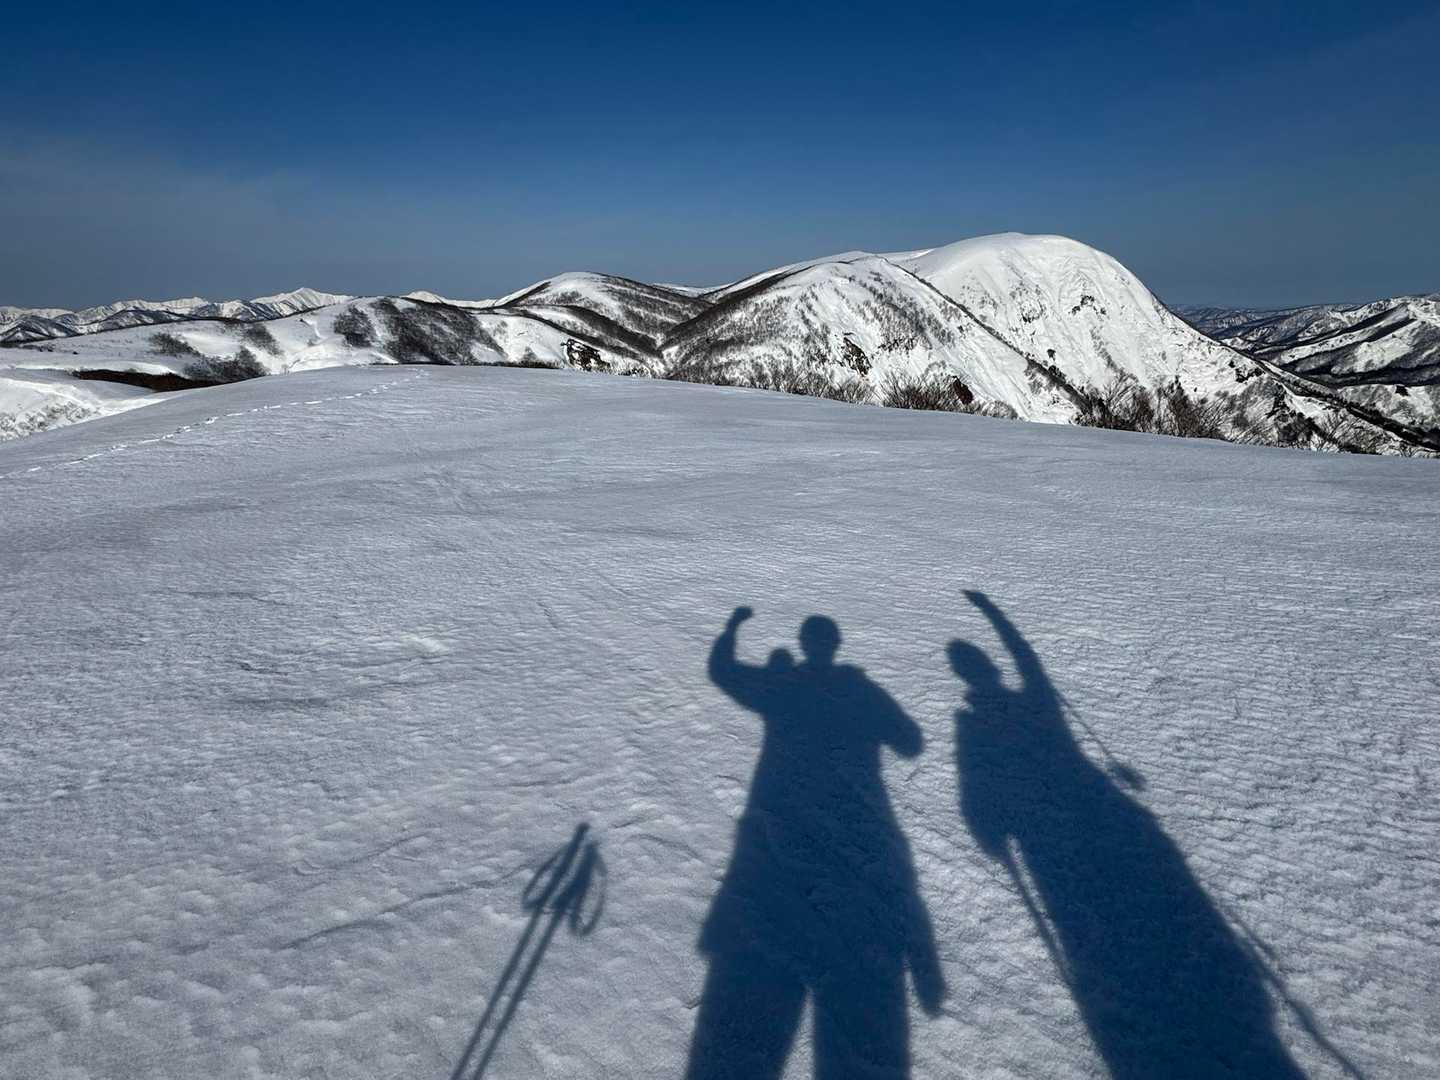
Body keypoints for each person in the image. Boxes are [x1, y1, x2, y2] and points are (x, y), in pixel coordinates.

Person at [951, 591, 1303, 1079]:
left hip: (1055, 837)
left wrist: (989, 832)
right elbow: (1027, 670)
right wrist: (993, 614)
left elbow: (977, 784)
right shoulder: (1013, 710)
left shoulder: (977, 723)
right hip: (1084, 820)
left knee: (1098, 926)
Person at [686, 607, 944, 1080]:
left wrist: (732, 628)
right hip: (852, 829)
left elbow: (722, 672)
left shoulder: (780, 685)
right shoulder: (858, 689)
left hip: (782, 829)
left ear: (806, 646)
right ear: (834, 645)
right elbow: (910, 742)